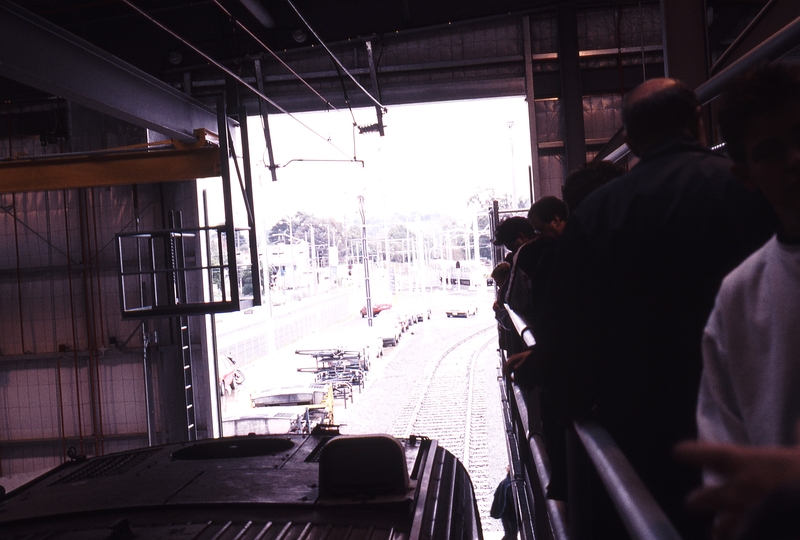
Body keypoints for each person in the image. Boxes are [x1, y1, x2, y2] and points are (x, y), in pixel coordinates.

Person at [505, 77, 777, 538]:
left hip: (643, 433)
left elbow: (566, 335)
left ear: (629, 138)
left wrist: (552, 380)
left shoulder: (597, 213)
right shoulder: (747, 185)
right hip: (756, 424)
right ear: (696, 121)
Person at [696, 62, 800, 450]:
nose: (795, 159)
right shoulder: (738, 296)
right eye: (772, 152)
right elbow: (726, 458)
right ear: (746, 176)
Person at [490, 467, 518, 540]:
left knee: (508, 533)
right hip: (510, 514)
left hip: (504, 513)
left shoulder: (504, 482)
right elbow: (512, 501)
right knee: (513, 534)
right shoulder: (511, 484)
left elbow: (496, 494)